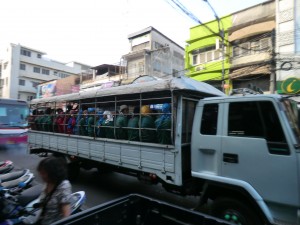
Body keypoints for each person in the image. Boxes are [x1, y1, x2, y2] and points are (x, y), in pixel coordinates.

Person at [36, 157, 72, 225]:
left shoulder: (64, 186)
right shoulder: (47, 182)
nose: (41, 175)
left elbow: (66, 215)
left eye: (43, 173)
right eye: (40, 172)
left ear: (53, 173)